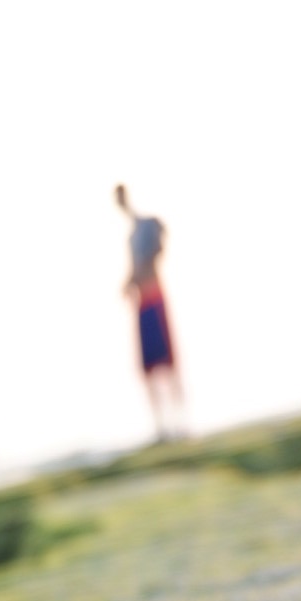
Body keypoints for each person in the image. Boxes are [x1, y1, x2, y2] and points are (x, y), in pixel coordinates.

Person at [115, 183, 184, 440]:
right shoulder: (131, 236)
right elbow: (135, 268)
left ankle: (180, 422)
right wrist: (128, 282)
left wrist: (136, 275)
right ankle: (162, 427)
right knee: (149, 369)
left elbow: (156, 251)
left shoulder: (147, 226)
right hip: (141, 302)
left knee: (169, 363)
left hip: (154, 298)